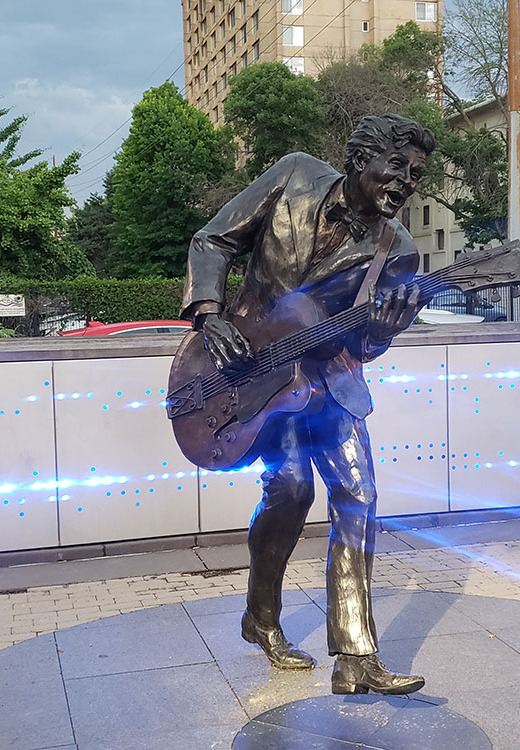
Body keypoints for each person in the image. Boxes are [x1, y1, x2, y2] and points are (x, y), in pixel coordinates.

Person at [181, 114, 435, 695]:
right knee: (291, 490)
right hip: (252, 364)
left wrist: (386, 330)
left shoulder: (398, 250)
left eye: (416, 175)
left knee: (359, 493)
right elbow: (213, 240)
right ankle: (261, 616)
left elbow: (366, 345)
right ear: (359, 158)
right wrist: (209, 313)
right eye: (396, 167)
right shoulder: (294, 174)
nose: (405, 183)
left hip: (331, 377)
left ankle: (355, 657)